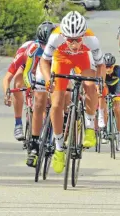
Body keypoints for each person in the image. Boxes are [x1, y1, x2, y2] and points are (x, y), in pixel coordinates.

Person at [40, 11, 103, 174]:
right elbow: (44, 61)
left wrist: (100, 83)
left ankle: (89, 125)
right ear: (63, 35)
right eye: (70, 40)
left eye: (77, 39)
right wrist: (48, 79)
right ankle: (59, 148)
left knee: (90, 84)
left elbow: (101, 65)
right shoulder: (56, 37)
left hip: (83, 58)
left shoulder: (92, 39)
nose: (74, 43)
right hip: (61, 59)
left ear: (83, 35)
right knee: (56, 104)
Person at [2, 22, 55, 144]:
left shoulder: (53, 50)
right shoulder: (27, 52)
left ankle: (46, 127)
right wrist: (7, 94)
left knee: (46, 96)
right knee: (18, 83)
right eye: (42, 44)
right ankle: (18, 123)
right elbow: (6, 78)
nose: (44, 47)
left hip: (44, 68)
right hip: (27, 67)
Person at [98, 53, 120, 150]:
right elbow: (98, 85)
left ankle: (119, 136)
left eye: (110, 67)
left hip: (116, 87)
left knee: (117, 109)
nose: (108, 69)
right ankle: (103, 127)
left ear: (113, 65)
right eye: (106, 67)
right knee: (101, 94)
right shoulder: (101, 70)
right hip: (105, 87)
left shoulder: (118, 69)